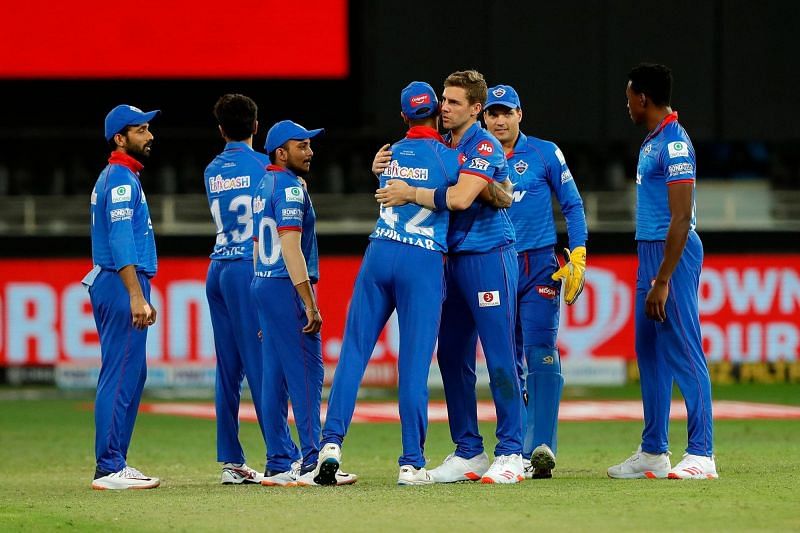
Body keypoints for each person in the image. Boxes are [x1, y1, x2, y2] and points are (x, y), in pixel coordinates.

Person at [375, 70, 524, 484]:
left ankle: (511, 451)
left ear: (476, 109)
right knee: (452, 356)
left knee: (498, 357)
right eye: (443, 99)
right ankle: (469, 451)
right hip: (450, 260)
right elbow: (501, 190)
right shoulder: (441, 145)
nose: (444, 106)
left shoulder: (483, 143)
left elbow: (458, 199)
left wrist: (411, 193)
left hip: (488, 257)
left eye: (455, 102)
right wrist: (380, 168)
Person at [315, 82, 461, 486]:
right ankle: (411, 463)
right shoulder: (450, 158)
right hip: (423, 259)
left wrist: (377, 169)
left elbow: (389, 180)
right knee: (413, 365)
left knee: (354, 353)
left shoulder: (389, 154)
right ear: (438, 112)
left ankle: (330, 445)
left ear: (402, 117)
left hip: (379, 252)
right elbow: (465, 197)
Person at [607, 63, 717, 480]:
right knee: (649, 351)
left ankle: (702, 454)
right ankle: (654, 450)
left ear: (642, 98)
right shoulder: (653, 141)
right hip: (650, 253)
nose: (627, 104)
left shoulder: (674, 143)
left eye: (628, 96)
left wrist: (664, 279)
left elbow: (681, 217)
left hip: (674, 254)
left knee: (685, 350)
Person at [483, 84, 588, 479]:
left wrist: (578, 253)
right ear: (483, 117)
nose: (499, 120)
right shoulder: (474, 156)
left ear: (519, 115)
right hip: (493, 263)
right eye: (492, 113)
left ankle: (539, 446)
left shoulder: (545, 152)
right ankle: (513, 449)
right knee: (504, 357)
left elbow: (573, 204)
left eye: (506, 112)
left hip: (540, 263)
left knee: (541, 351)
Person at [250, 120, 357, 487]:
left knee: (274, 377)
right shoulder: (291, 188)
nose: (310, 152)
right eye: (302, 146)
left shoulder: (262, 184)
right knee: (307, 374)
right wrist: (309, 302)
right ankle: (313, 461)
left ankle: (279, 461)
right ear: (281, 152)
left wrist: (260, 295)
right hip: (285, 285)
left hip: (264, 283)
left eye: (310, 144)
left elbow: (255, 246)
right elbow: (291, 246)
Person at [85, 105, 161, 490]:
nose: (149, 136)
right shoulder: (119, 179)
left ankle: (116, 462)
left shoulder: (122, 176)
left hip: (122, 282)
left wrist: (141, 292)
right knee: (121, 371)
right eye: (141, 129)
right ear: (120, 138)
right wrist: (135, 293)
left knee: (132, 371)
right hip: (119, 282)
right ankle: (110, 467)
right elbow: (119, 237)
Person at [204, 94, 269, 484]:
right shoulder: (265, 167)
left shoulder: (212, 169)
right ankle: (282, 455)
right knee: (262, 365)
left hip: (218, 268)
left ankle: (231, 461)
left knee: (228, 369)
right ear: (256, 126)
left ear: (221, 129)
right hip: (249, 267)